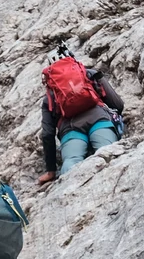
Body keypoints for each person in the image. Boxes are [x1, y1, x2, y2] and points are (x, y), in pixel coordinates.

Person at [36, 44, 126, 184]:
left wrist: (51, 170)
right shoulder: (89, 74)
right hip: (100, 120)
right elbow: (118, 104)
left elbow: (47, 134)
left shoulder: (50, 95)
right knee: (108, 154)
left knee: (71, 163)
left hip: (71, 131)